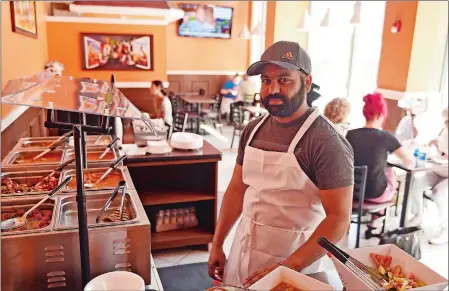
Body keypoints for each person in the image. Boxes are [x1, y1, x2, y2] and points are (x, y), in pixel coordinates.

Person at [208, 41, 354, 287]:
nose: (272, 89)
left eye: (284, 80)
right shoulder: (253, 129)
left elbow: (339, 219)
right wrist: (218, 242)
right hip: (244, 247)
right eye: (266, 81)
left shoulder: (326, 141)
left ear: (307, 83)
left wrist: (288, 267)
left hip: (295, 258)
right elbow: (236, 190)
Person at [346, 93, 414, 205]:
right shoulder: (386, 137)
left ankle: (373, 220)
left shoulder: (350, 134)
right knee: (390, 172)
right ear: (380, 115)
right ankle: (375, 221)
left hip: (352, 192)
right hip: (375, 194)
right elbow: (409, 161)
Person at [407, 107, 448, 243]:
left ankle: (445, 230)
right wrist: (434, 145)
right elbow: (440, 149)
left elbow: (444, 153)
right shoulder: (444, 130)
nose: (446, 123)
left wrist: (441, 154)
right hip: (439, 168)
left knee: (439, 193)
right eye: (445, 120)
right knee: (417, 183)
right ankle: (418, 215)